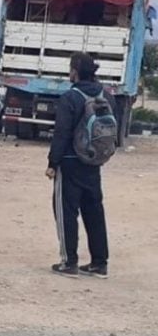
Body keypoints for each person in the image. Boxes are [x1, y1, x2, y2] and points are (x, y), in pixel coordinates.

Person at [46, 53, 113, 279]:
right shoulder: (107, 95)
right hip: (94, 161)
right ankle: (99, 263)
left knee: (66, 211)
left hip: (70, 161)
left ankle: (69, 262)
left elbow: (62, 133)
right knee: (94, 211)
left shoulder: (70, 97)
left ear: (75, 70)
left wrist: (52, 162)